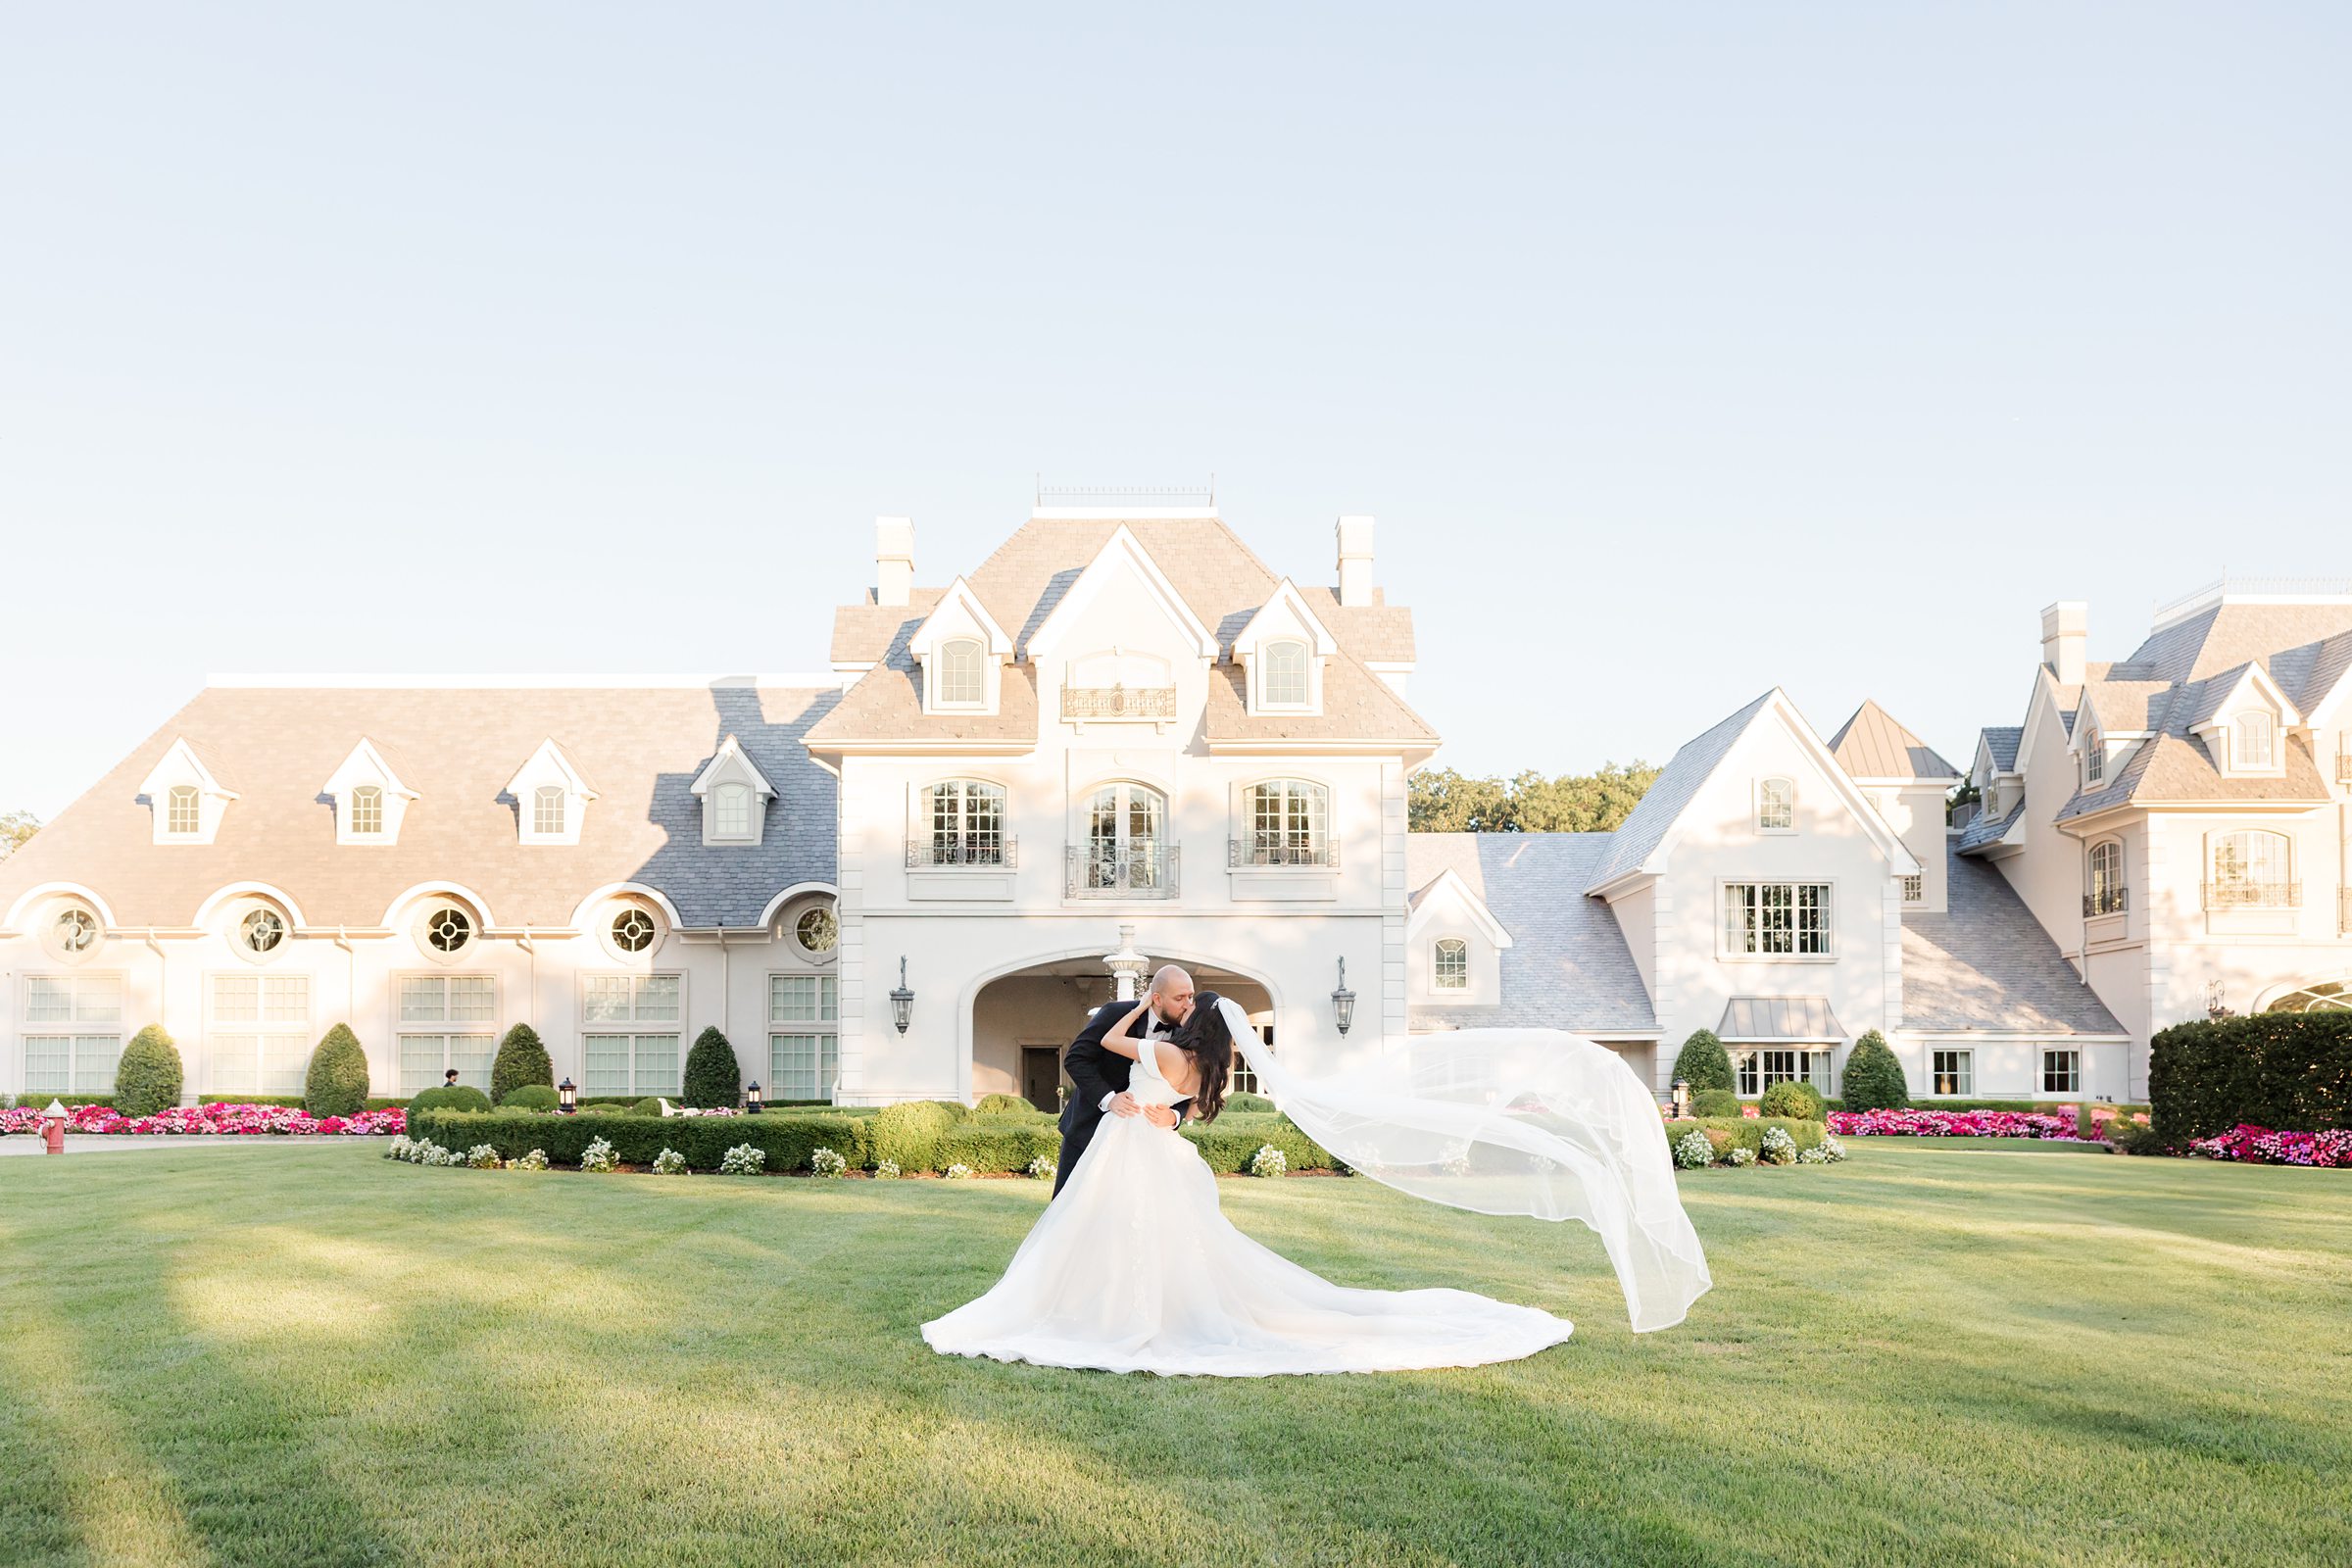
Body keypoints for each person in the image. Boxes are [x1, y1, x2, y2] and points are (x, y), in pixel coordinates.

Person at [921, 986, 1586, 1377]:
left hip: (1140, 1145)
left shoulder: (1160, 1045)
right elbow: (1092, 1064)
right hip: (1132, 1144)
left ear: (1189, 1013)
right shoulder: (1203, 1060)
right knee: (1149, 1234)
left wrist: (1150, 1056)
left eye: (1184, 1002)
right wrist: (1157, 1098)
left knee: (1126, 1231)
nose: (1177, 1006)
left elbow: (1123, 1054)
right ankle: (1115, 1304)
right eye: (1172, 998)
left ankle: (1112, 1313)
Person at [1050, 964, 1191, 1199]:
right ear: (1156, 998)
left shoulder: (1187, 1031)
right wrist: (1109, 1098)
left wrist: (1175, 1116)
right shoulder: (1116, 1013)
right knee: (1067, 1210)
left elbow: (1193, 1083)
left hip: (1143, 1142)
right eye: (1179, 998)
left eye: (1190, 996)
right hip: (1089, 1129)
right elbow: (1076, 1059)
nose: (1187, 1004)